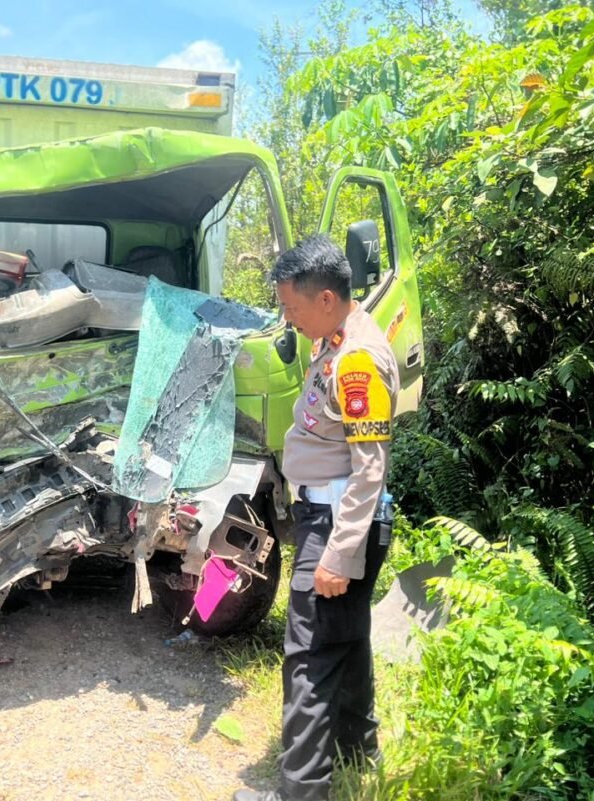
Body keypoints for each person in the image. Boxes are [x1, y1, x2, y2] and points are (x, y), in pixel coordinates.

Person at [234, 235, 399, 801]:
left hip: (338, 522)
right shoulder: (335, 336)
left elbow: (368, 468)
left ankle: (300, 791)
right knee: (345, 637)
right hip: (333, 515)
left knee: (307, 654)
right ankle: (358, 749)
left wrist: (338, 553)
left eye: (292, 308)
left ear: (326, 298)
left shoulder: (355, 361)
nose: (288, 318)